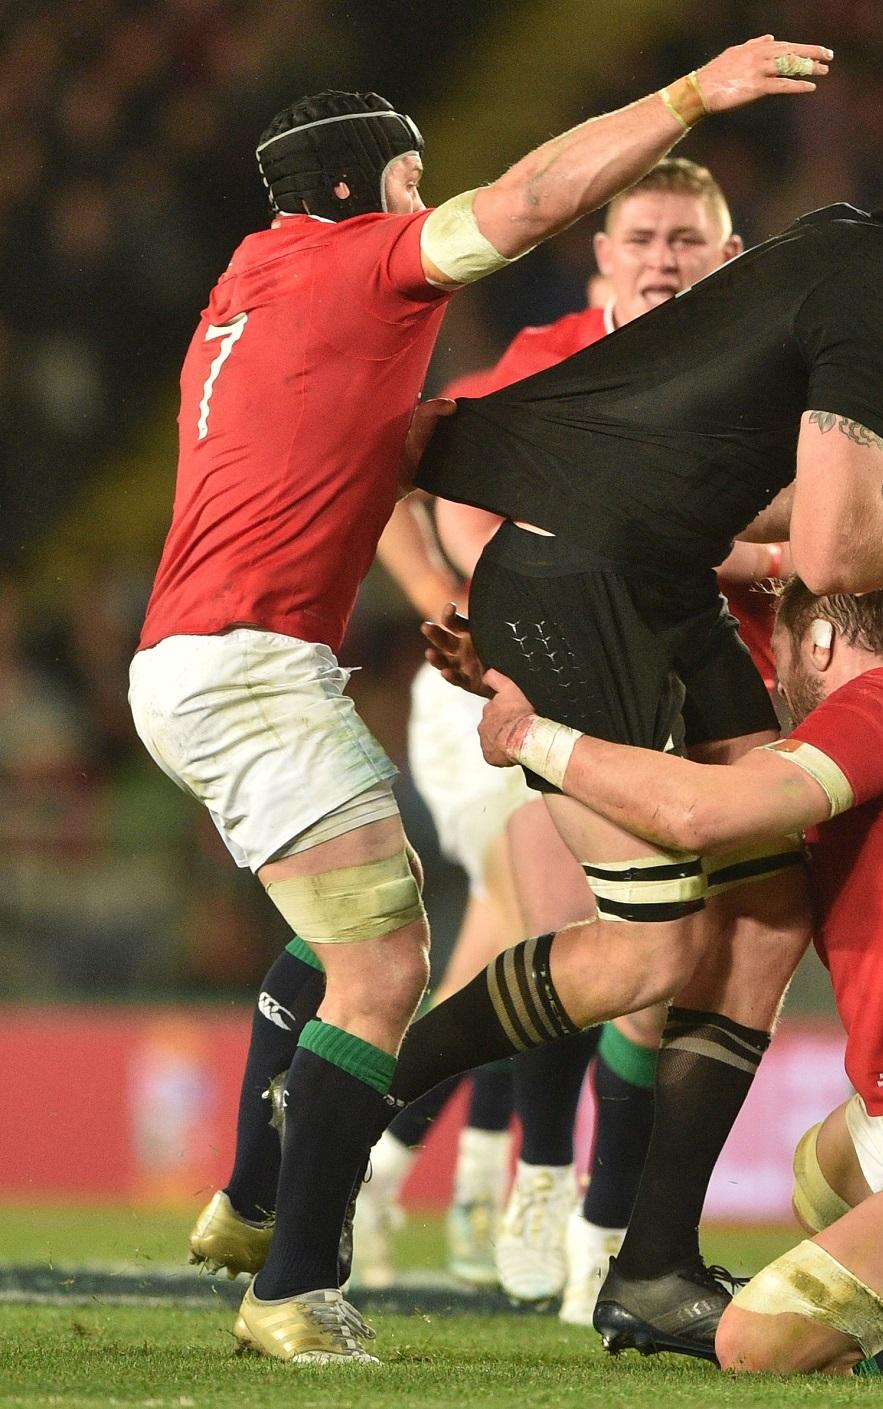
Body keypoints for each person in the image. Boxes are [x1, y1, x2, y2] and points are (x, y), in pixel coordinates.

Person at [128, 38, 832, 1364]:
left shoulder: (246, 283)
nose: (422, 200)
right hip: (248, 667)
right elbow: (525, 203)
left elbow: (378, 452)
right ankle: (290, 1282)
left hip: (207, 660)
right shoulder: (355, 256)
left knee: (353, 929)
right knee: (386, 960)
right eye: (408, 178)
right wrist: (689, 94)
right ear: (355, 190)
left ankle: (255, 1193)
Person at [385, 135, 883, 1361]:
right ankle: (372, 1091)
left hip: (634, 574)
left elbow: (751, 504)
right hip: (579, 576)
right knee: (654, 940)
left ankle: (645, 1259)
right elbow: (824, 550)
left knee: (762, 909)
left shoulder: (845, 254)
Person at [441, 577, 883, 1376]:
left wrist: (529, 734)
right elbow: (701, 756)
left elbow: (694, 812)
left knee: (756, 1342)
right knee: (819, 1180)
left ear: (818, 644)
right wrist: (535, 674)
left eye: (778, 654)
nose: (771, 684)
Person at [364, 157, 752, 1323]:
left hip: (678, 680)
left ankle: (465, 1170)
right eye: (642, 235)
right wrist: (447, 591)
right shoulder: (548, 362)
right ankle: (518, 1173)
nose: (663, 257)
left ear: (726, 259)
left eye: (687, 238)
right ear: (603, 257)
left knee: (654, 967)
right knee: (545, 899)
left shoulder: (758, 371)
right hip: (525, 675)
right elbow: (424, 477)